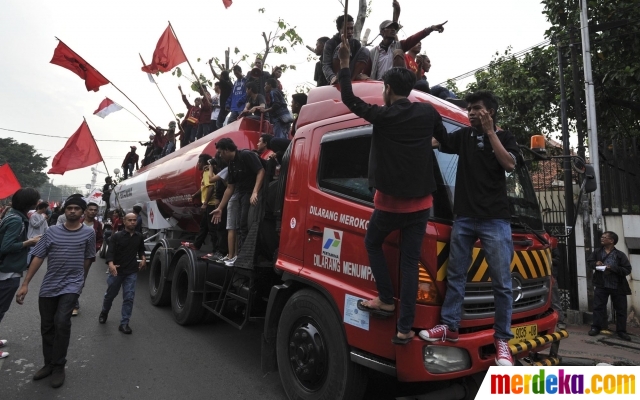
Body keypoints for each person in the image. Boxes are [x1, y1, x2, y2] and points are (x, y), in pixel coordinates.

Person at [337, 36, 443, 345]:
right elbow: (442, 140)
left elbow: (349, 99)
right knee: (410, 263)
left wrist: (345, 65)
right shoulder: (427, 113)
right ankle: (403, 329)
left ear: (387, 90)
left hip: (389, 206)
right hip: (422, 204)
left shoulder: (382, 116)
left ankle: (385, 297)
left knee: (373, 243)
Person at [419, 90, 519, 366]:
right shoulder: (463, 137)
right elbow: (443, 139)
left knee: (501, 282)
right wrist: (430, 112)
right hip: (463, 217)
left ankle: (501, 341)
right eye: (469, 110)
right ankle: (449, 326)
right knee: (456, 275)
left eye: (476, 109)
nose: (471, 113)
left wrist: (490, 133)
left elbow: (509, 164)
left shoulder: (505, 137)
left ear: (491, 112)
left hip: (495, 220)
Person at [15, 195, 96, 388]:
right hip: (50, 285)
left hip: (72, 285)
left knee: (62, 322)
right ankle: (48, 364)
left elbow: (88, 258)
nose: (73, 211)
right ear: (64, 211)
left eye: (77, 208)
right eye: (70, 208)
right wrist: (25, 283)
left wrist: (81, 281)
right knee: (47, 326)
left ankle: (59, 365)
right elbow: (38, 257)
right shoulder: (51, 232)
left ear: (82, 212)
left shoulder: (88, 234)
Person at [0, 188, 41, 359]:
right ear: (29, 204)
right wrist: (28, 242)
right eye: (36, 201)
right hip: (7, 272)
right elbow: (6, 247)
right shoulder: (17, 220)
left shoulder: (11, 216)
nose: (38, 204)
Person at [211, 138, 265, 267]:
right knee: (239, 227)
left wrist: (255, 192)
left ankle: (242, 258)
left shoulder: (246, 155)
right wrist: (220, 208)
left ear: (227, 150)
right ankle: (238, 257)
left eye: (220, 152)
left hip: (249, 193)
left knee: (243, 226)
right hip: (240, 194)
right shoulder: (231, 164)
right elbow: (230, 187)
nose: (220, 156)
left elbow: (260, 171)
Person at [367, 2, 447, 81]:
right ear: (382, 32)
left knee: (398, 52)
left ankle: (397, 82)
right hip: (378, 85)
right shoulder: (373, 52)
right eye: (389, 28)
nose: (393, 30)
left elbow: (415, 38)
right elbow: (366, 72)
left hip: (395, 85)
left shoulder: (399, 45)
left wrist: (431, 28)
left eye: (394, 28)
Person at [100, 213, 146, 334]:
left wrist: (143, 259)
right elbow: (110, 252)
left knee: (129, 297)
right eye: (130, 220)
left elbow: (141, 249)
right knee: (110, 295)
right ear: (124, 222)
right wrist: (111, 264)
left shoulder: (139, 236)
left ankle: (124, 323)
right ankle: (104, 312)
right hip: (117, 271)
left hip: (131, 271)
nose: (132, 222)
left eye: (134, 220)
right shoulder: (117, 236)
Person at [587, 231, 633, 341]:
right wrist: (595, 264)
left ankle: (621, 331)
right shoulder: (597, 252)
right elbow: (590, 262)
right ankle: (596, 327)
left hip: (617, 286)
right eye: (601, 237)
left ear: (612, 240)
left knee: (621, 309)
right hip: (601, 284)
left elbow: (627, 269)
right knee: (598, 306)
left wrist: (611, 268)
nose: (602, 238)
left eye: (605, 237)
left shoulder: (620, 255)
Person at [72, 202, 103, 316]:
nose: (93, 212)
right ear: (85, 211)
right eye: (90, 209)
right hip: (73, 255)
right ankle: (72, 303)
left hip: (87, 258)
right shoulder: (77, 222)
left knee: (80, 280)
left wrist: (94, 249)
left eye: (95, 210)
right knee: (70, 278)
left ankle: (74, 303)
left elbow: (100, 239)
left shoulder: (98, 225)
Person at [184, 154, 219, 252]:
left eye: (199, 162)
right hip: (209, 204)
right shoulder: (205, 173)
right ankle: (196, 244)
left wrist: (205, 203)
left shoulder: (207, 172)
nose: (197, 164)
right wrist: (195, 195)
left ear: (204, 163)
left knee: (212, 229)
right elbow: (204, 187)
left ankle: (216, 251)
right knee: (204, 226)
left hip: (211, 205)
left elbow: (211, 187)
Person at [323, 13, 370, 84]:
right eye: (346, 29)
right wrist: (332, 77)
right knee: (342, 46)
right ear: (339, 29)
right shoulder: (330, 43)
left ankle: (351, 80)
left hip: (350, 73)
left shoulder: (356, 43)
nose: (350, 32)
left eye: (351, 28)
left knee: (365, 50)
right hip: (336, 76)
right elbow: (326, 65)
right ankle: (338, 79)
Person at [208, 61, 233, 129]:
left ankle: (222, 135)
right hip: (228, 105)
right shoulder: (230, 84)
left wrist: (210, 65)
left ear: (222, 76)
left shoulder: (224, 83)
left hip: (224, 106)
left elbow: (215, 74)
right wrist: (223, 68)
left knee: (219, 123)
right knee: (221, 121)